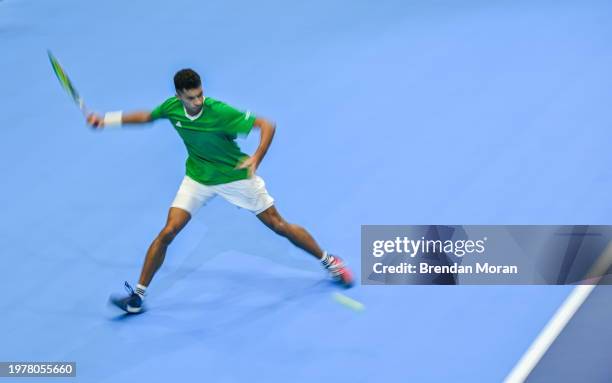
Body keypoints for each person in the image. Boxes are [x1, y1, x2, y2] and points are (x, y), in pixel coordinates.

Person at [87, 69, 353, 314]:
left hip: (234, 176)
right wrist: (105, 120)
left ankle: (329, 261)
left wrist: (256, 157)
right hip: (198, 177)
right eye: (192, 97)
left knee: (279, 225)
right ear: (179, 96)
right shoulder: (171, 108)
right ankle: (137, 297)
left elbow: (267, 125)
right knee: (168, 231)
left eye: (201, 94)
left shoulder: (220, 112)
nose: (198, 101)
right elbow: (146, 117)